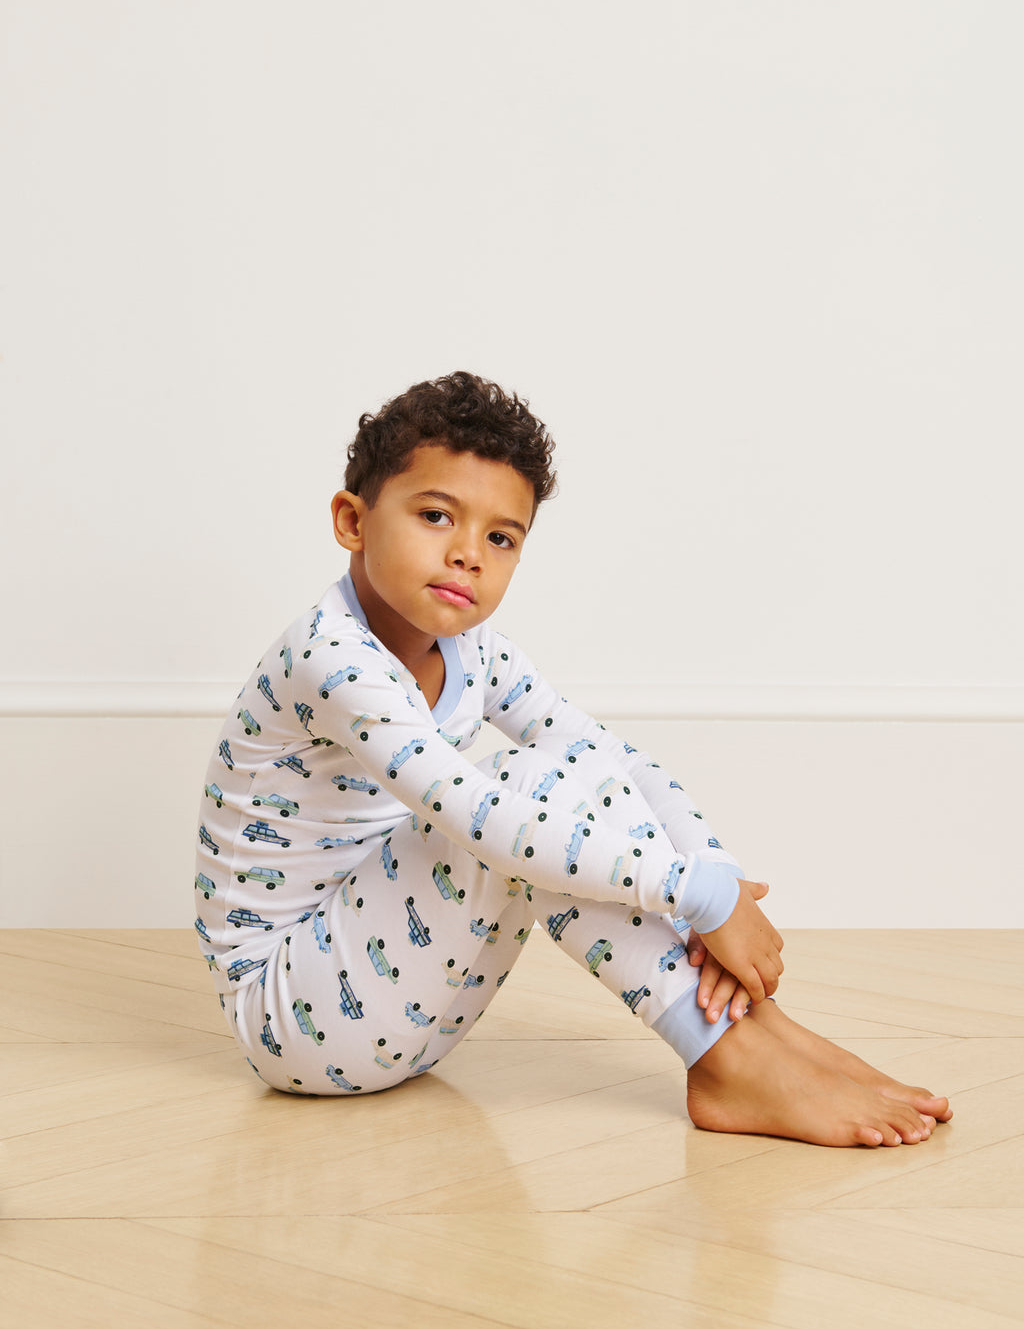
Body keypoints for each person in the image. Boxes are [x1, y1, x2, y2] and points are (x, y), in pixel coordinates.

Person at [195, 372, 951, 1146]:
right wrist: (691, 894)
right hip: (294, 1016)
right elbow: (473, 814)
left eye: (500, 537)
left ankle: (755, 1033)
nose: (467, 555)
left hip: (400, 1002)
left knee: (570, 766)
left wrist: (714, 872)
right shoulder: (331, 659)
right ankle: (730, 1057)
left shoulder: (469, 646)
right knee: (520, 792)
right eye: (434, 516)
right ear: (352, 521)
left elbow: (603, 754)